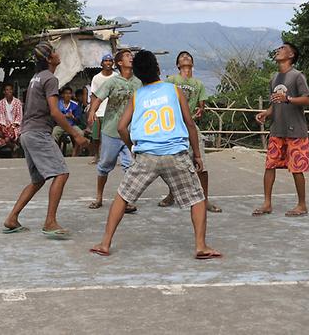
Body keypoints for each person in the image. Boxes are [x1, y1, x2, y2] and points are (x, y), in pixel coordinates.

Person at [89, 50, 222, 260]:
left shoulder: (137, 95)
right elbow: (190, 125)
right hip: (175, 153)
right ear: (158, 69)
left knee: (122, 197)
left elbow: (122, 127)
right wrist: (196, 155)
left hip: (146, 155)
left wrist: (132, 147)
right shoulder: (173, 90)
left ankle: (105, 243)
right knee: (197, 199)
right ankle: (200, 246)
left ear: (138, 74)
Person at [2, 42, 88, 239]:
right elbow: (55, 111)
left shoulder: (36, 78)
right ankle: (50, 222)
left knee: (38, 180)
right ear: (49, 59)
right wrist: (76, 134)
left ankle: (12, 218)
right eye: (55, 52)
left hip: (27, 133)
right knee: (62, 173)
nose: (58, 54)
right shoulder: (50, 79)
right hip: (38, 133)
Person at [253, 42, 309, 217]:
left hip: (296, 130)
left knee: (297, 168)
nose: (278, 50)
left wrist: (288, 98)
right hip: (277, 130)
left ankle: (302, 205)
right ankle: (267, 203)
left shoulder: (297, 76)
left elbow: (307, 100)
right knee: (269, 166)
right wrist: (266, 112)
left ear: (291, 55)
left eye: (283, 49)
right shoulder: (274, 78)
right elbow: (275, 104)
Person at [160, 51, 221, 212]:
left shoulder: (198, 84)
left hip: (191, 126)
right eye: (182, 57)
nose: (185, 57)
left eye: (188, 57)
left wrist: (200, 110)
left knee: (201, 163)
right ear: (178, 65)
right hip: (173, 127)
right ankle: (171, 194)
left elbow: (202, 106)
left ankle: (205, 199)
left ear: (192, 64)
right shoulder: (172, 80)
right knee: (171, 165)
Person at [87, 49, 141, 212]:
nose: (130, 57)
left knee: (130, 166)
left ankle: (127, 200)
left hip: (130, 131)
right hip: (111, 130)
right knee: (105, 165)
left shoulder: (138, 82)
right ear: (119, 63)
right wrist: (92, 112)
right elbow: (98, 97)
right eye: (126, 56)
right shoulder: (112, 82)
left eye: (131, 55)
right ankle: (99, 197)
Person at [87, 54, 114, 164]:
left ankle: (107, 156)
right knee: (96, 136)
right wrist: (92, 112)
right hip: (99, 110)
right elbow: (93, 95)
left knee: (108, 136)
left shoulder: (116, 77)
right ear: (102, 63)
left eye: (110, 61)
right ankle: (96, 155)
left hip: (111, 111)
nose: (108, 63)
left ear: (113, 63)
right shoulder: (96, 78)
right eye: (106, 61)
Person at [52, 86, 83, 155]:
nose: (68, 95)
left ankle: (75, 152)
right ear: (63, 95)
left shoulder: (75, 105)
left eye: (69, 93)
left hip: (71, 125)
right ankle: (56, 153)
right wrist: (64, 116)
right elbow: (54, 116)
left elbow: (78, 119)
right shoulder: (58, 104)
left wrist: (72, 117)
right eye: (66, 93)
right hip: (60, 125)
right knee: (54, 134)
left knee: (80, 133)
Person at [0, 84, 23, 153]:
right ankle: (13, 145)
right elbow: (0, 116)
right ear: (4, 92)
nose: (9, 91)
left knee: (7, 139)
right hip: (5, 126)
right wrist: (3, 126)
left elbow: (19, 116)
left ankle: (13, 145)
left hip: (15, 126)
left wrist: (12, 127)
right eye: (7, 90)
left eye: (10, 90)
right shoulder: (1, 103)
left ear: (13, 91)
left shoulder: (17, 102)